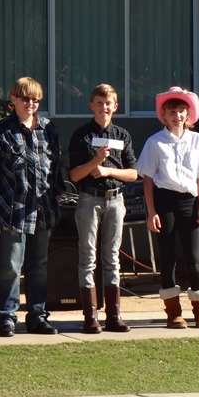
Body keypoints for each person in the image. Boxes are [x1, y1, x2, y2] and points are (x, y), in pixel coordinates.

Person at [0, 77, 66, 337]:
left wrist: (57, 197)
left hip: (43, 210)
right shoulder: (0, 131)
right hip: (12, 210)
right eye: (26, 98)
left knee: (39, 266)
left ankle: (37, 317)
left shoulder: (48, 129)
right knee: (10, 266)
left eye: (35, 99)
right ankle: (6, 318)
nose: (31, 103)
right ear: (14, 99)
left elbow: (56, 169)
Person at [137, 86, 199, 329]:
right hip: (164, 201)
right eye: (172, 111)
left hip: (189, 202)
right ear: (163, 115)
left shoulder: (198, 140)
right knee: (168, 256)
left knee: (193, 257)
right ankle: (173, 312)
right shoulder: (155, 142)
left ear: (188, 113)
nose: (177, 116)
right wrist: (152, 212)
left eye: (181, 111)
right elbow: (148, 180)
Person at [68, 83, 138, 334]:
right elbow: (74, 175)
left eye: (108, 103)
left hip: (116, 200)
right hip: (89, 199)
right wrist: (95, 161)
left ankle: (114, 315)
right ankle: (91, 316)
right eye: (99, 103)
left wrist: (108, 171)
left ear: (115, 106)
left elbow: (133, 173)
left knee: (112, 258)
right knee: (88, 258)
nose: (104, 108)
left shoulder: (122, 135)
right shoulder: (82, 135)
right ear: (92, 105)